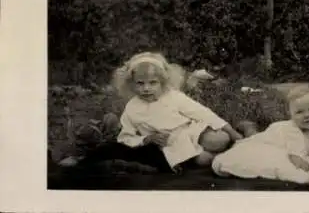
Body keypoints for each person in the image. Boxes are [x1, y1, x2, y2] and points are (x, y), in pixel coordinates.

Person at [63, 52, 243, 174]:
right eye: (140, 83)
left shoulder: (173, 96)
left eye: (152, 83)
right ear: (131, 84)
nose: (146, 89)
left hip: (190, 131)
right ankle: (229, 157)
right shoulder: (132, 108)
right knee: (204, 161)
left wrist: (232, 133)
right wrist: (146, 139)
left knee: (220, 139)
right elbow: (125, 138)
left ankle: (236, 140)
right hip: (169, 143)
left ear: (163, 82)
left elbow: (204, 113)